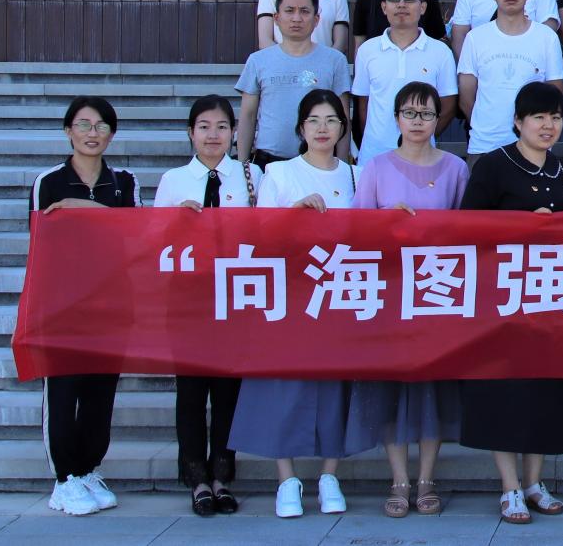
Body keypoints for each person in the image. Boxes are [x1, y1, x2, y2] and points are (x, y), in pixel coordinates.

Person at [457, 82, 563, 525]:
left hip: (549, 298)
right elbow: (467, 230)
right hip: (502, 299)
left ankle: (534, 483)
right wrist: (518, 226)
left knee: (543, 392)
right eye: (538, 117)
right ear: (518, 121)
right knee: (504, 392)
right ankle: (509, 487)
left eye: (555, 117)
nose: (548, 125)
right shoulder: (493, 165)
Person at [229, 88, 364, 519]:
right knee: (282, 387)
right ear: (300, 128)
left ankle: (329, 476)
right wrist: (294, 213)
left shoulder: (357, 175)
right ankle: (286, 478)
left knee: (336, 387)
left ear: (343, 128)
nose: (323, 129)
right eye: (314, 121)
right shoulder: (279, 173)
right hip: (290, 296)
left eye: (331, 120)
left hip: (338, 295)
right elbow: (260, 236)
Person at [348, 82, 470, 518]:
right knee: (391, 387)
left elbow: (468, 232)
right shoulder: (376, 167)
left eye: (427, 114)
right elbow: (354, 233)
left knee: (432, 388)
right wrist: (385, 223)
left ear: (439, 119)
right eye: (410, 113)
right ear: (396, 117)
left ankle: (426, 478)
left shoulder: (456, 168)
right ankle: (399, 478)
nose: (418, 122)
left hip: (436, 293)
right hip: (390, 292)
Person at [33, 95, 139, 517]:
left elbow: (133, 235)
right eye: (83, 125)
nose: (92, 133)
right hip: (62, 306)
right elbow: (43, 242)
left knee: (100, 394)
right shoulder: (49, 181)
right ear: (68, 131)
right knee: (63, 392)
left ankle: (88, 469)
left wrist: (84, 208)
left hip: (112, 305)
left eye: (101, 126)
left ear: (111, 135)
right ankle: (64, 480)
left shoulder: (124, 182)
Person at [153, 95, 257, 516]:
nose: (213, 135)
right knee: (191, 392)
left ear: (234, 133)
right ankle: (196, 478)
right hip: (189, 299)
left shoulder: (251, 176)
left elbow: (269, 230)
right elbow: (155, 243)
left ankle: (222, 476)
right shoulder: (173, 180)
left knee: (229, 392)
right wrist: (175, 222)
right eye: (204, 127)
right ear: (190, 133)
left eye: (222, 127)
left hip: (236, 297)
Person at [456, 0, 563, 157]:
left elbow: (555, 93)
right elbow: (466, 97)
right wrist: (485, 126)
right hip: (485, 147)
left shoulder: (546, 37)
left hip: (533, 149)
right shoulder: (475, 38)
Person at [236, 0, 351, 167]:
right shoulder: (258, 60)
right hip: (269, 163)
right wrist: (242, 165)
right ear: (276, 17)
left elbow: (343, 117)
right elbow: (248, 116)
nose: (296, 18)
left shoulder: (335, 60)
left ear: (316, 19)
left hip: (319, 162)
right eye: (289, 11)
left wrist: (343, 166)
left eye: (304, 11)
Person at [352, 0, 458, 162]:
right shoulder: (367, 50)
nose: (401, 4)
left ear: (423, 7)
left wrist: (421, 137)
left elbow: (448, 104)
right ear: (384, 7)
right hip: (374, 156)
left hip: (422, 157)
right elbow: (363, 105)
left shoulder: (441, 52)